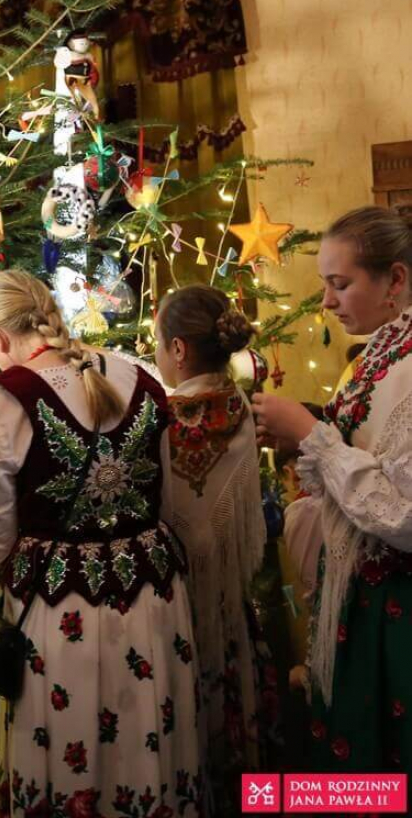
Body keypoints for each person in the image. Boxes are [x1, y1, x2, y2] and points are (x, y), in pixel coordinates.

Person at [0, 270, 202, 818]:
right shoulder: (138, 373)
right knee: (149, 736)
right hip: (154, 598)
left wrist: (1, 577)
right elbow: (167, 493)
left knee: (70, 746)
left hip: (60, 610)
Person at [253, 206, 412, 772]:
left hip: (398, 610)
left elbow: (404, 515)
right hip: (360, 599)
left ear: (394, 279)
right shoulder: (382, 350)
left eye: (339, 284)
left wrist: (313, 437)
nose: (326, 301)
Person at [155, 286, 269, 804]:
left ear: (178, 350)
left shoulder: (160, 415)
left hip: (172, 601)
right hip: (226, 597)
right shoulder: (238, 403)